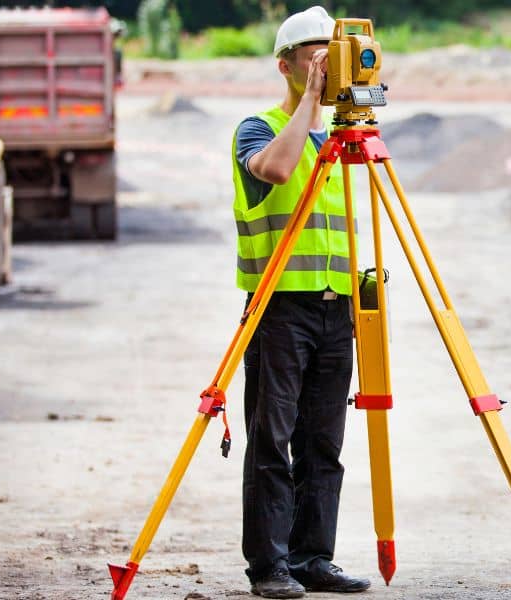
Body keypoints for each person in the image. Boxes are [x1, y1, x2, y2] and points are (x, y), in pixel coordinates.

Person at [231, 6, 370, 598]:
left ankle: (315, 556)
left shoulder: (343, 140)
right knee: (272, 437)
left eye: (329, 52)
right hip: (278, 309)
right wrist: (313, 100)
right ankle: (269, 565)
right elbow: (280, 169)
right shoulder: (257, 128)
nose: (322, 62)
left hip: (336, 308)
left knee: (323, 440)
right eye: (311, 54)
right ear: (283, 63)